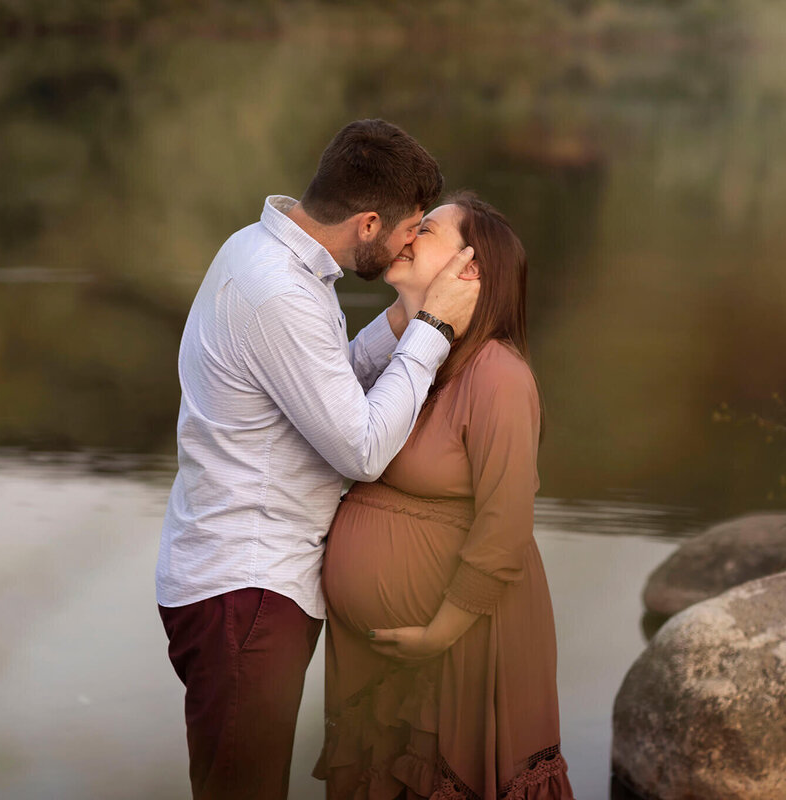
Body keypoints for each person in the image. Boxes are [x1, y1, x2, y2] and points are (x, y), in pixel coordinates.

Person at [156, 119, 480, 800]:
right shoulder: (279, 292)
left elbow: (322, 383)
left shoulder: (263, 255)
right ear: (368, 222)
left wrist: (401, 320)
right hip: (245, 591)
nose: (412, 241)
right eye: (410, 227)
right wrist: (434, 331)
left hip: (237, 585)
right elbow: (360, 447)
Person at [313, 193, 573, 799]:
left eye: (425, 229)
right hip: (379, 658)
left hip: (462, 644)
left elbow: (506, 527)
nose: (405, 236)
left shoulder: (497, 375)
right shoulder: (413, 363)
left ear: (469, 270)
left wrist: (441, 631)